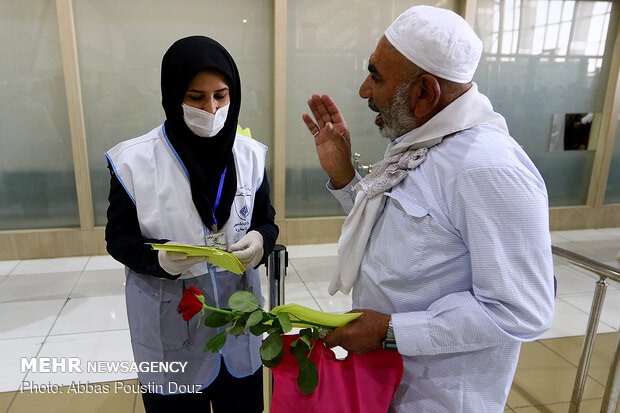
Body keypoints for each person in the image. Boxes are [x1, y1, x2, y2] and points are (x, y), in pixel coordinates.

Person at [302, 6, 555, 412]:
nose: (365, 90)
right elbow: (400, 234)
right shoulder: (423, 137)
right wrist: (346, 176)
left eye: (377, 77)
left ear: (425, 93)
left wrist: (389, 330)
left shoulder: (488, 168)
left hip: (436, 397)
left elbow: (522, 310)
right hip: (384, 381)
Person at [105, 36, 278, 413]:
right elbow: (117, 239)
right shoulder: (133, 162)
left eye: (221, 95)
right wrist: (158, 261)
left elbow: (267, 221)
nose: (211, 109)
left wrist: (261, 242)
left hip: (237, 321)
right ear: (172, 94)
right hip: (170, 320)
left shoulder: (250, 155)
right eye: (196, 97)